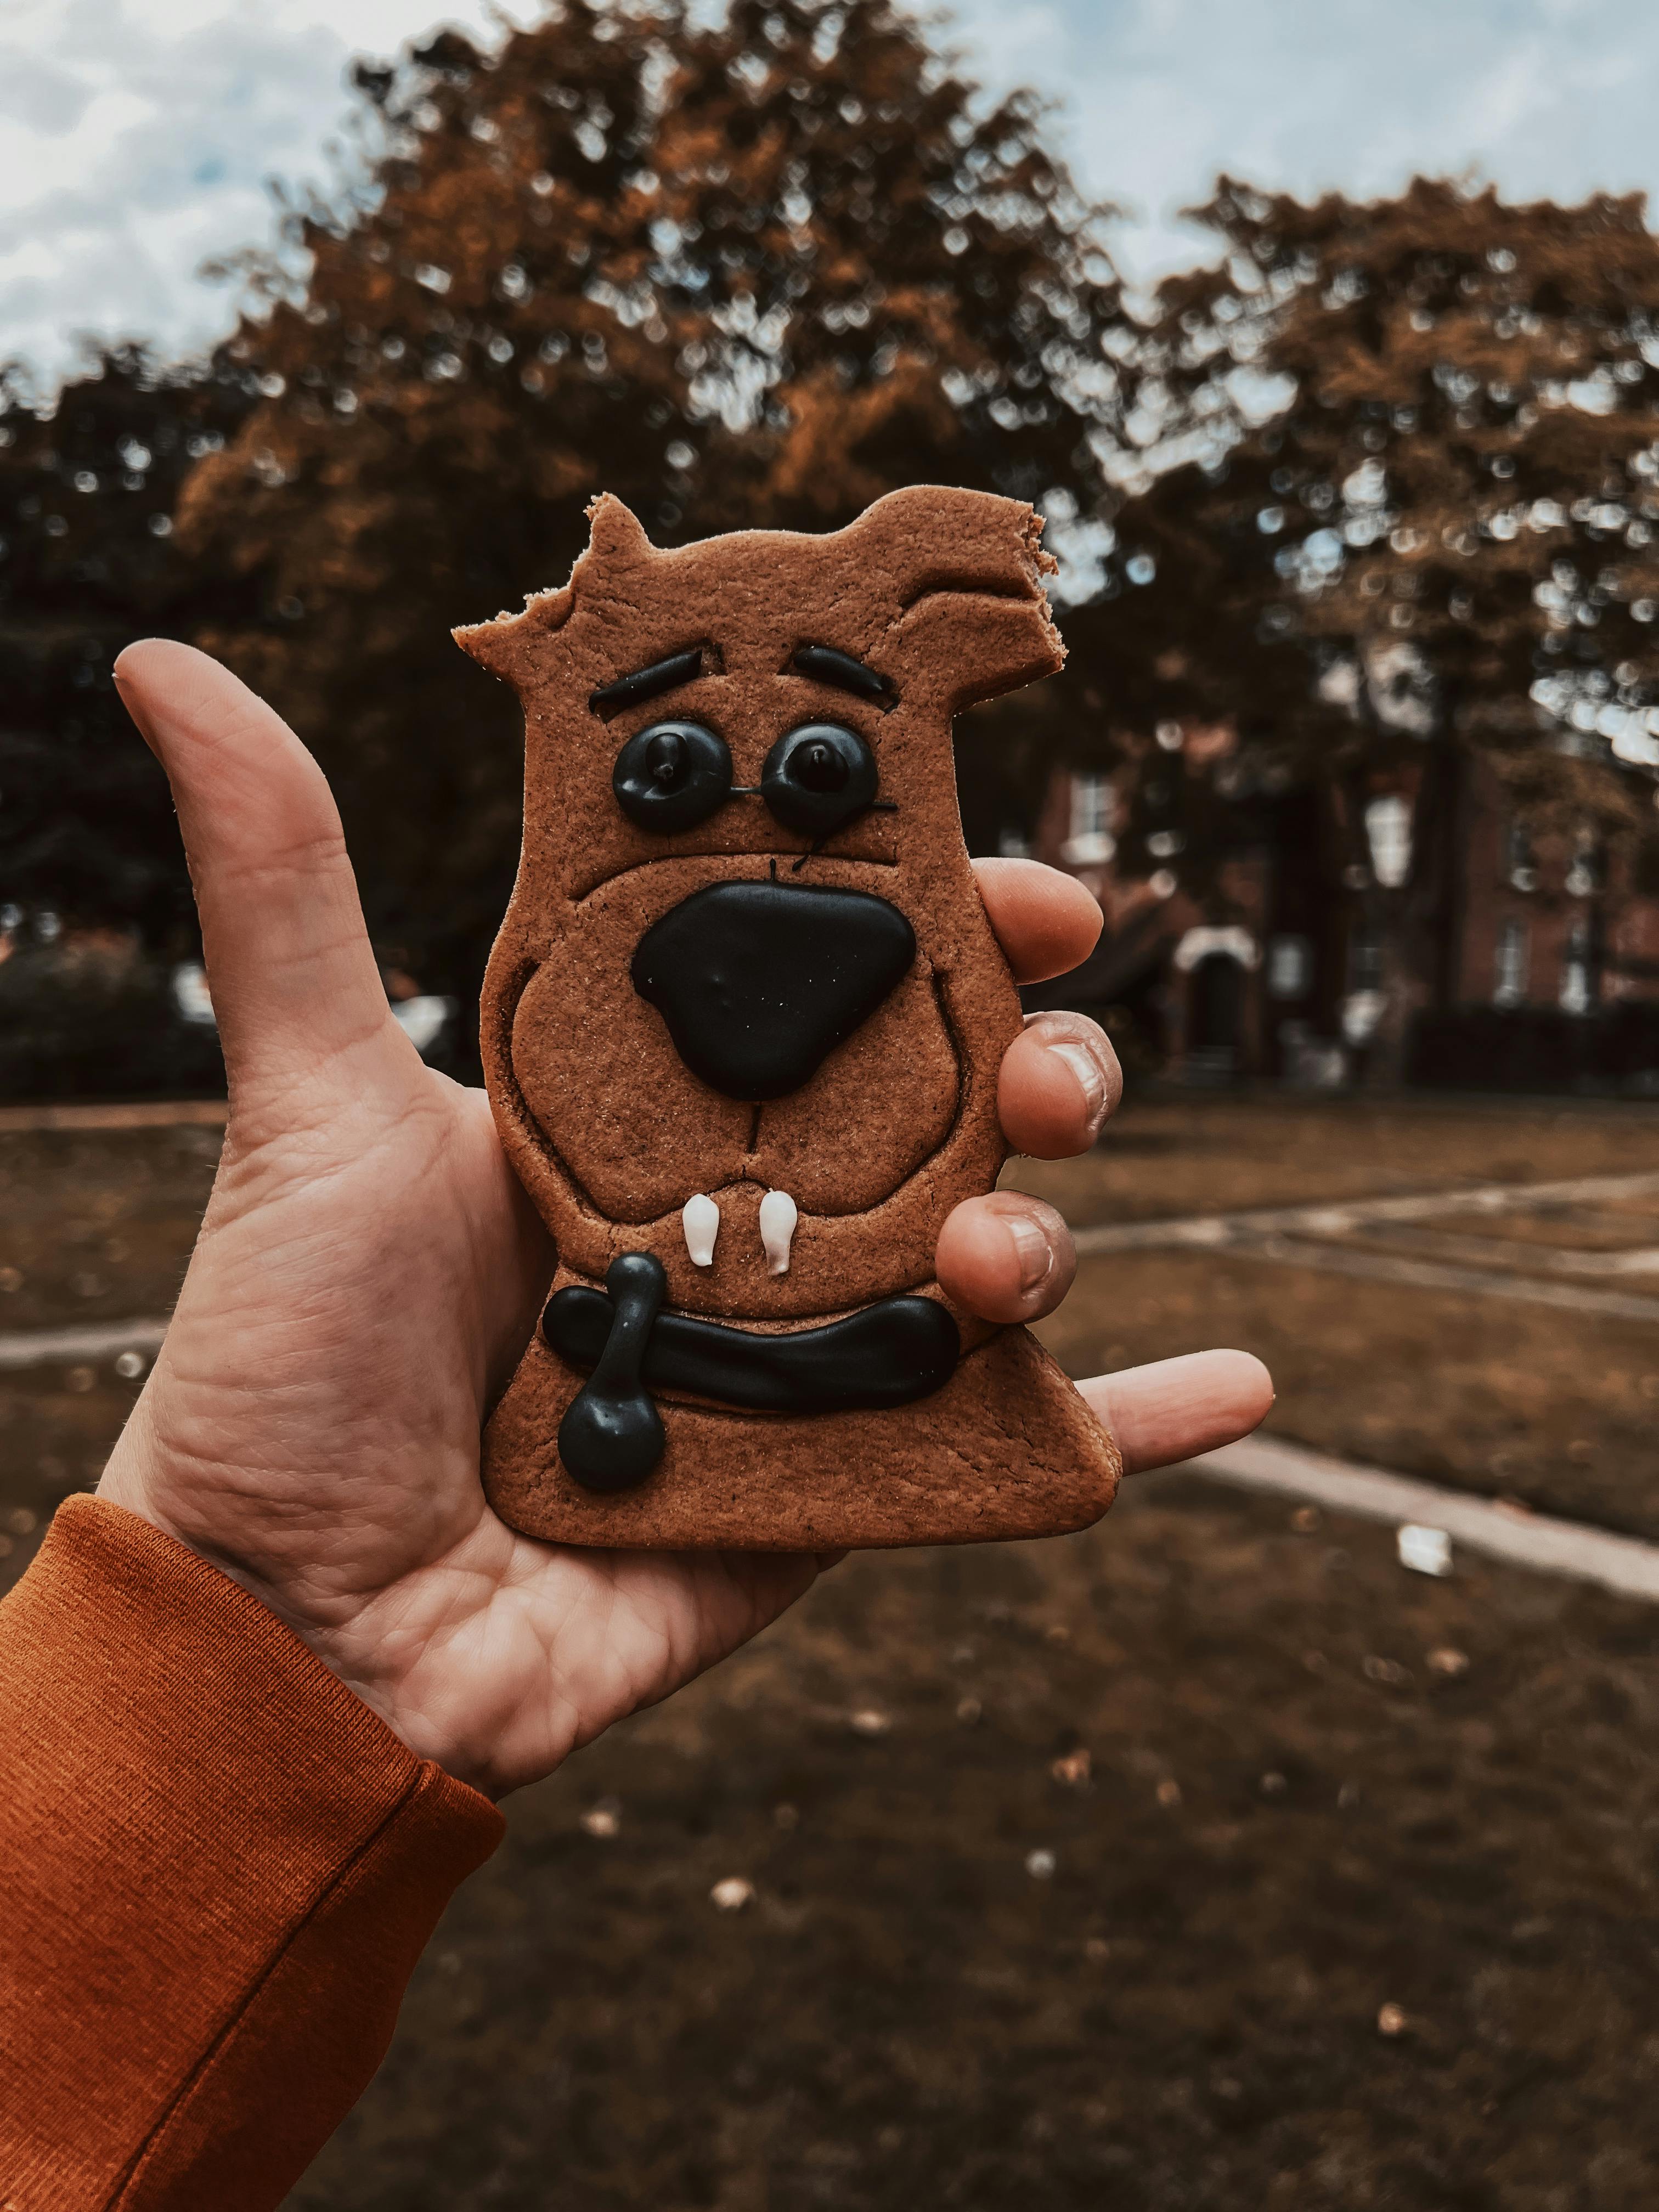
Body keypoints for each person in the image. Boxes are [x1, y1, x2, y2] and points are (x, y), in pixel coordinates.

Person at [0, 641, 1272, 2209]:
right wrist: (260, 1608)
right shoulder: (589, 979)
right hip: (606, 1378)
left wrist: (232, 1673)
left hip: (803, 1345)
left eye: (824, 766)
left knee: (981, 1211)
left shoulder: (914, 942)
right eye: (658, 771)